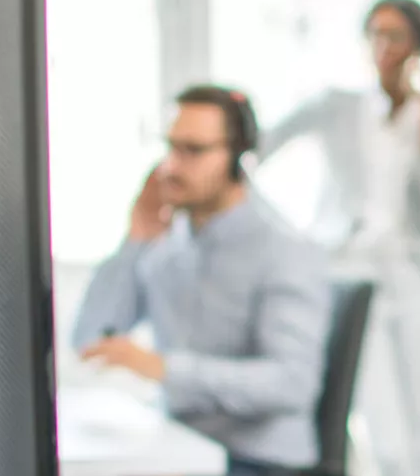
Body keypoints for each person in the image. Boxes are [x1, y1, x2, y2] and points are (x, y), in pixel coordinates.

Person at [72, 85, 332, 476]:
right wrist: (135, 242)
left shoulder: (284, 250)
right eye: (171, 147)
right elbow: (91, 340)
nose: (171, 168)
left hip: (256, 461)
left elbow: (292, 383)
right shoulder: (165, 243)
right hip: (179, 449)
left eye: (192, 151)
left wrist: (165, 368)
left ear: (238, 156)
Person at [256, 0, 420, 476]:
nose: (383, 46)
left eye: (395, 36)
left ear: (418, 47)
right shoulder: (336, 106)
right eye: (375, 34)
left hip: (414, 279)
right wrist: (296, 238)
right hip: (349, 272)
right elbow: (257, 150)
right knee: (381, 429)